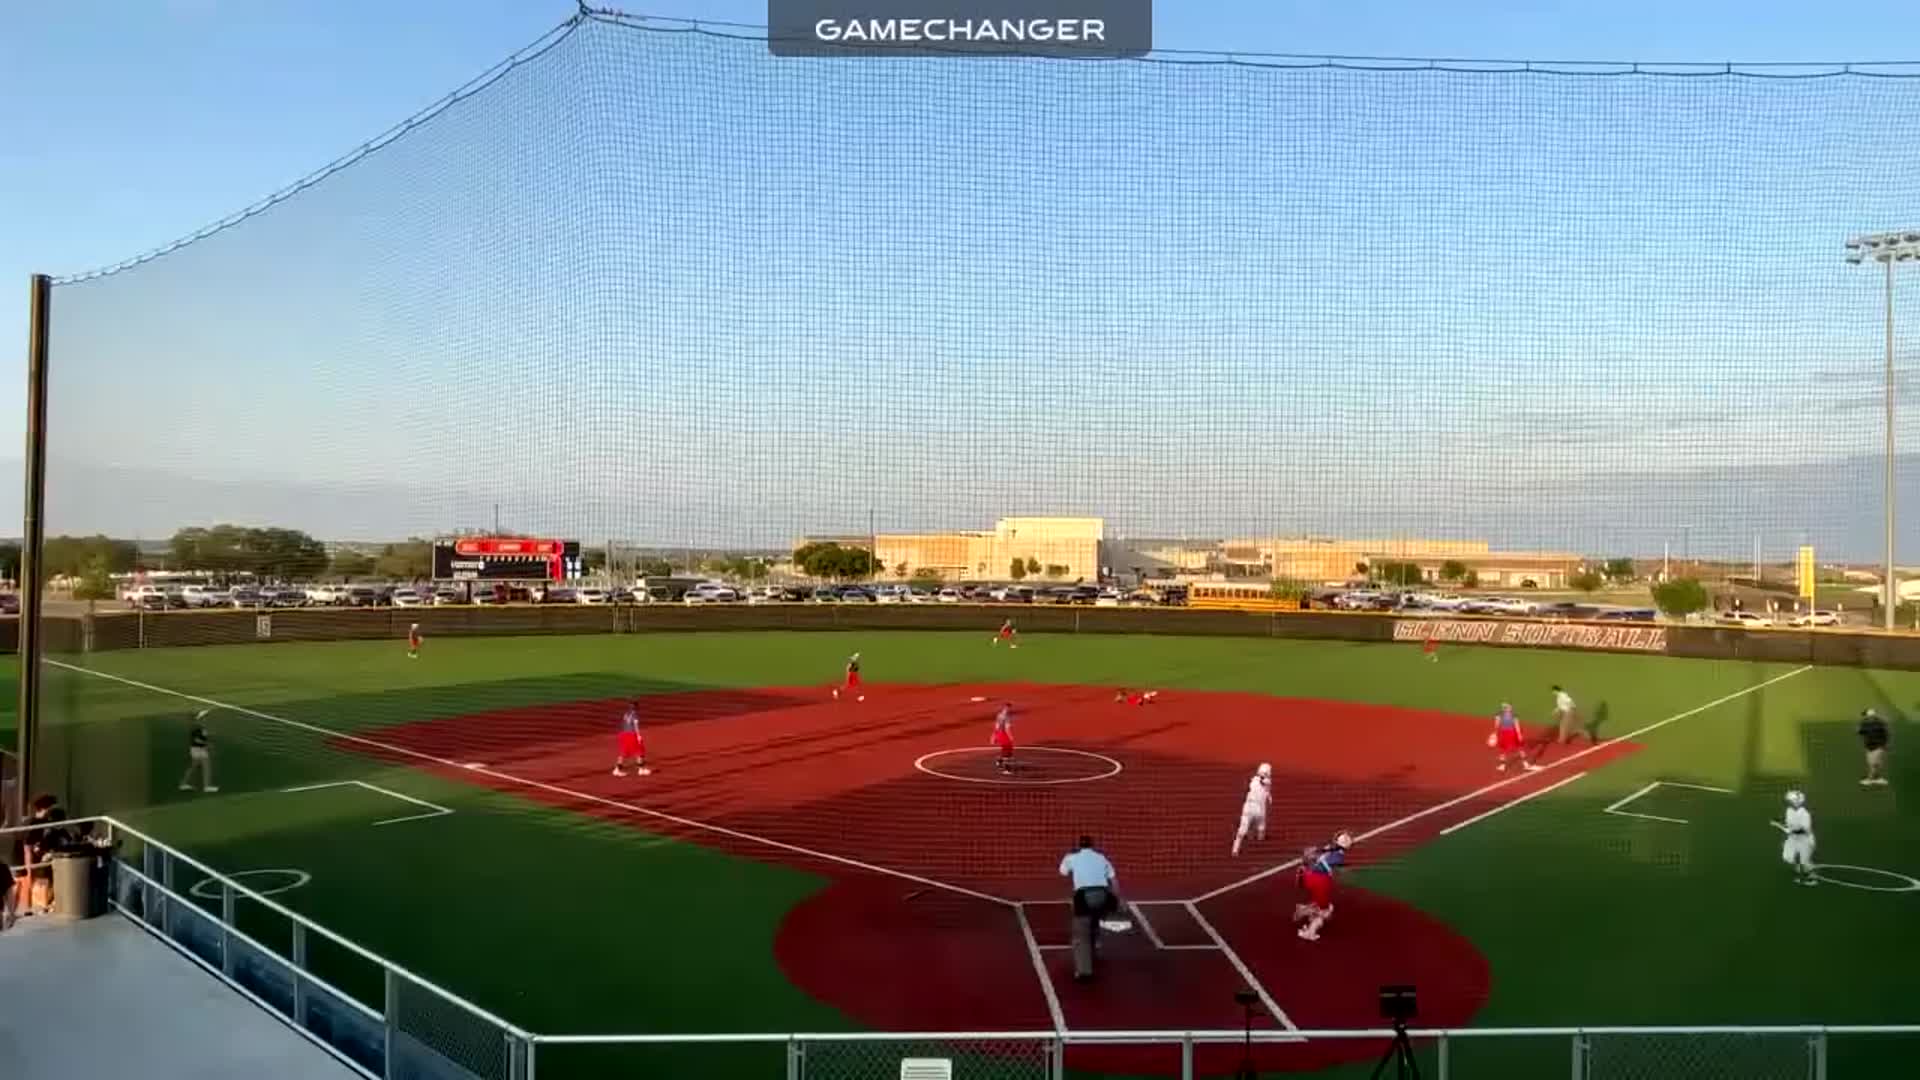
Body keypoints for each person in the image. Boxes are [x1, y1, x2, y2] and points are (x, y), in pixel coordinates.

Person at [1059, 835, 1118, 981]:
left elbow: (1063, 872)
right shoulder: (1101, 857)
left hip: (1084, 896)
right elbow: (1113, 879)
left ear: (1079, 845)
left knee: (1080, 933)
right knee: (1095, 918)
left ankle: (1084, 971)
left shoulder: (1071, 857)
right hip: (1103, 895)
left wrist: (1070, 857)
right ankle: (1096, 945)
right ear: (1092, 845)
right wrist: (1117, 898)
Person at [1293, 831, 1354, 941]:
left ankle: (1302, 911)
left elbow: (1313, 856)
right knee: (1325, 911)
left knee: (1320, 903)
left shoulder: (1328, 848)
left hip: (1308, 877)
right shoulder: (1338, 856)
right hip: (1320, 881)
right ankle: (1309, 932)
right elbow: (1329, 864)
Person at [1232, 762, 1273, 856]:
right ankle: (1259, 841)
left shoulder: (1253, 780)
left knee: (1242, 829)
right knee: (1261, 826)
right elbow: (1265, 784)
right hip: (1258, 808)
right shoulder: (1266, 782)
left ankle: (1235, 848)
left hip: (1248, 806)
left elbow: (1259, 783)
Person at [1777, 789, 1816, 886]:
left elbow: (1805, 830)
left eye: (1790, 801)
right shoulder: (1789, 810)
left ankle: (1811, 878)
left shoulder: (1805, 814)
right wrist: (1779, 822)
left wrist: (1790, 831)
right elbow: (1787, 822)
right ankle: (1799, 867)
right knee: (1787, 857)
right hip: (1793, 839)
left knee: (1805, 861)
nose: (1789, 802)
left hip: (1805, 840)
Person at [1489, 703, 1539, 773]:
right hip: (1510, 733)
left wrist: (1495, 733)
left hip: (1506, 733)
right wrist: (1519, 735)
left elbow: (1497, 725)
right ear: (1506, 708)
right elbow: (1516, 726)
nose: (1510, 708)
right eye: (1509, 707)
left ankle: (1504, 766)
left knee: (1505, 749)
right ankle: (1524, 764)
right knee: (1515, 749)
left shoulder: (1500, 715)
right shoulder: (1512, 716)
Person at [178, 710, 218, 792]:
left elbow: (202, 737)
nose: (205, 719)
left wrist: (207, 741)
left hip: (198, 749)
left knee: (193, 767)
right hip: (198, 749)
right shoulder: (197, 728)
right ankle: (207, 786)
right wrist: (207, 744)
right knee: (206, 766)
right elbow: (196, 740)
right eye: (204, 717)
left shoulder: (200, 727)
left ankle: (183, 784)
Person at [613, 700, 651, 777]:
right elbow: (636, 726)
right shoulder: (635, 715)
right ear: (636, 707)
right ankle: (641, 769)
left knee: (623, 752)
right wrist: (639, 736)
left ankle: (617, 770)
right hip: (632, 735)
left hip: (623, 734)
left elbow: (623, 724)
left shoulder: (626, 714)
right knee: (640, 750)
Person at [1858, 708, 1891, 787]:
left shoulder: (1877, 724)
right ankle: (1877, 778)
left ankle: (1869, 779)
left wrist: (1884, 745)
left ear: (1870, 716)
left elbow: (1885, 735)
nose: (1865, 717)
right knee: (1873, 763)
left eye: (1866, 716)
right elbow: (1861, 732)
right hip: (1870, 746)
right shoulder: (1868, 724)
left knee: (1873, 763)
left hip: (1877, 746)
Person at [991, 703, 1017, 774]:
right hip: (1005, 735)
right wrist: (1010, 736)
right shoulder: (1007, 717)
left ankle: (999, 761)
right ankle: (1006, 769)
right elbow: (1007, 728)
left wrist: (994, 736)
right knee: (1007, 751)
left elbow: (996, 727)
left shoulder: (999, 715)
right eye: (1009, 708)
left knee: (1005, 750)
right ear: (1007, 708)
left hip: (999, 734)